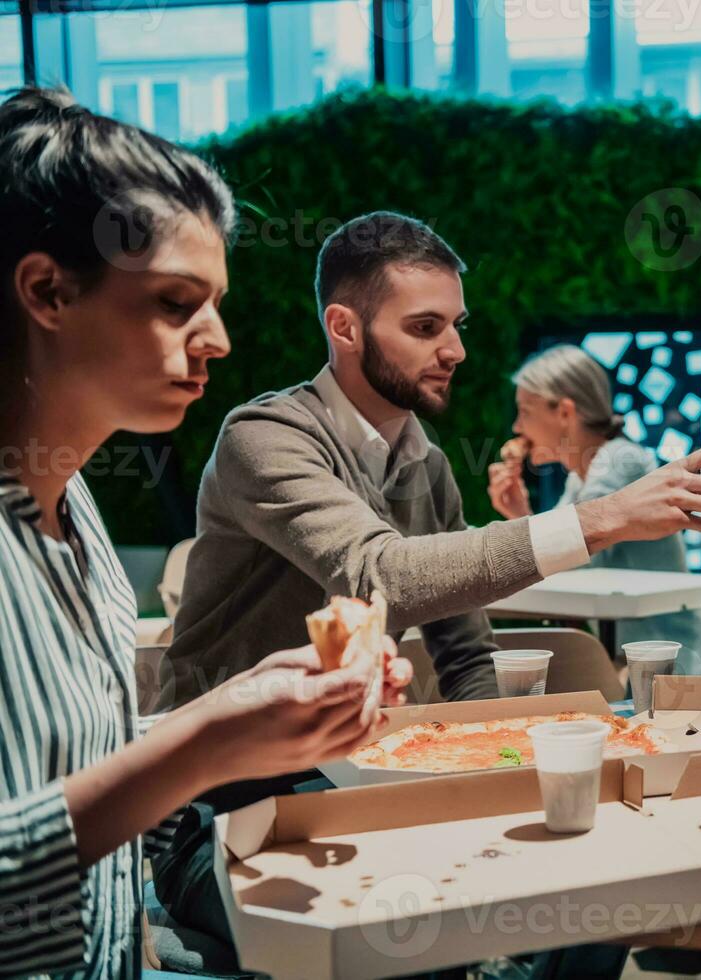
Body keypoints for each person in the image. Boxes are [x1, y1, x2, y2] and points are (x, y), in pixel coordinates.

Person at [0, 87, 413, 979]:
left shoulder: (77, 513)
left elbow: (78, 767)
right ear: (46, 292)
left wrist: (237, 709)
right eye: (176, 302)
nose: (217, 338)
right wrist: (207, 747)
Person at [165, 214, 701, 705]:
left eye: (455, 325)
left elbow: (468, 658)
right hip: (222, 788)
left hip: (349, 763)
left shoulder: (427, 464)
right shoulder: (264, 437)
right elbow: (379, 575)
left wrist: (502, 764)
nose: (456, 350)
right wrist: (607, 517)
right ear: (344, 328)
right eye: (425, 327)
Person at [490, 344, 701, 674]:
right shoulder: (583, 478)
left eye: (525, 411)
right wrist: (521, 516)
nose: (517, 427)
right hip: (659, 667)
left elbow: (574, 559)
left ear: (564, 412)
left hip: (687, 671)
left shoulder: (619, 463)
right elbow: (558, 553)